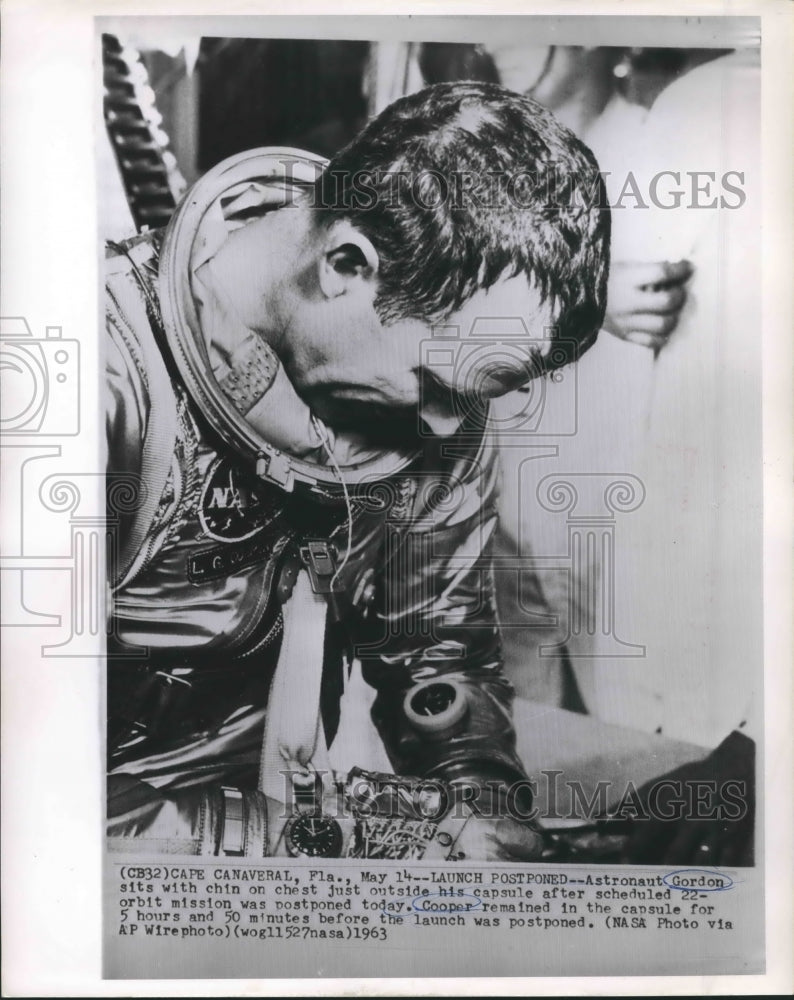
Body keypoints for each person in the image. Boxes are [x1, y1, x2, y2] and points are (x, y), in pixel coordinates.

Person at [104, 82, 610, 859]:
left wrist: (474, 802)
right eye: (436, 384)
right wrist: (317, 842)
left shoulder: (442, 393)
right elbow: (26, 777)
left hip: (280, 846)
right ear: (345, 263)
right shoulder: (92, 376)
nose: (449, 425)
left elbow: (436, 649)